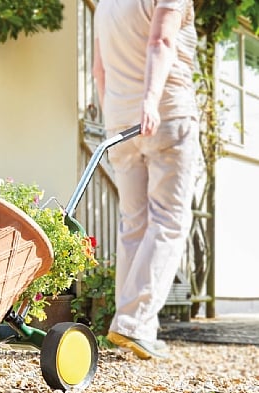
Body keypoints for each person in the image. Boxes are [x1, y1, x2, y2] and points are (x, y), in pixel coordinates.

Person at [93, 0, 200, 359]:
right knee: (169, 220)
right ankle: (134, 324)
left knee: (134, 223)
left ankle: (138, 327)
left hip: (119, 122)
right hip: (166, 114)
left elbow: (99, 72)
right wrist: (150, 100)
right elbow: (161, 42)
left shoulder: (105, 6)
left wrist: (114, 116)